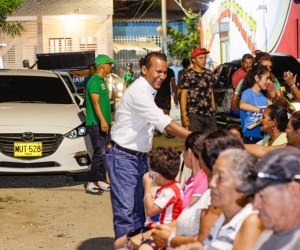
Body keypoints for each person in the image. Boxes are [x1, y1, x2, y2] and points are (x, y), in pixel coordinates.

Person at [103, 52, 191, 242]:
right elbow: (164, 122)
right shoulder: (139, 92)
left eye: (165, 72)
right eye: (157, 71)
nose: (162, 76)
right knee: (126, 213)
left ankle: (136, 244)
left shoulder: (149, 90)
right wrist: (193, 137)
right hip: (123, 157)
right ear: (144, 70)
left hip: (138, 157)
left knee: (139, 211)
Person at [150, 130, 246, 249]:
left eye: (220, 176)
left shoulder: (214, 195)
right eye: (213, 175)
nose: (211, 182)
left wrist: (168, 239)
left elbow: (203, 241)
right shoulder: (206, 189)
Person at [169, 148, 262, 250]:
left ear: (244, 186)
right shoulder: (223, 218)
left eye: (221, 178)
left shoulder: (251, 221)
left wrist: (170, 240)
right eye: (213, 175)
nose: (212, 183)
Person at [115, 147, 183, 250]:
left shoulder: (170, 191)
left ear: (158, 176)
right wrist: (151, 193)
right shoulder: (169, 188)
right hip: (149, 228)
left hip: (160, 231)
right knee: (118, 243)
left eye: (151, 172)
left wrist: (147, 188)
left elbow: (151, 211)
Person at [237, 147, 300, 250]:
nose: (255, 205)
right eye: (254, 196)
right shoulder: (269, 233)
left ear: (293, 192)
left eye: (262, 196)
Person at [85, 54, 116, 194]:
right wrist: (103, 120)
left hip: (104, 123)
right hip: (95, 123)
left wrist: (108, 121)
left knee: (106, 152)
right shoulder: (94, 82)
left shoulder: (101, 80)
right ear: (103, 65)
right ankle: (91, 181)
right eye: (110, 63)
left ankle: (101, 179)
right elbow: (95, 102)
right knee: (100, 151)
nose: (112, 66)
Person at [231, 52, 284, 116]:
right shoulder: (244, 83)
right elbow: (234, 105)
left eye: (270, 67)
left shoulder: (272, 82)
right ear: (256, 65)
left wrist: (276, 97)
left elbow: (282, 104)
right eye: (265, 66)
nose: (268, 69)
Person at [180, 48, 217, 133]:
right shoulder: (188, 75)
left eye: (205, 58)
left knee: (212, 141)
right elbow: (183, 95)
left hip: (209, 113)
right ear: (194, 59)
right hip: (194, 114)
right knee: (196, 141)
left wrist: (214, 107)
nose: (204, 60)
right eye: (201, 58)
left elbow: (211, 91)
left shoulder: (209, 73)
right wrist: (183, 115)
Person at [239, 64, 270, 144]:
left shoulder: (264, 96)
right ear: (257, 78)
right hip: (250, 136)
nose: (268, 82)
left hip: (264, 135)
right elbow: (242, 105)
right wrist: (261, 111)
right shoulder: (247, 93)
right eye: (266, 78)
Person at [154, 67, 178, 138]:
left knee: (166, 114)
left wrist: (175, 95)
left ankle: (167, 131)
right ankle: (159, 130)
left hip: (166, 94)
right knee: (158, 113)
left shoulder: (170, 71)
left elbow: (173, 83)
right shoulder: (157, 70)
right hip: (157, 93)